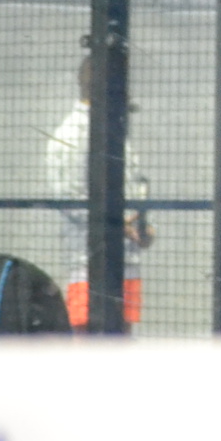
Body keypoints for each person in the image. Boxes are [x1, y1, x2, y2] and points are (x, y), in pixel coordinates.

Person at [43, 55, 152, 328]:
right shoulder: (70, 135)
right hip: (88, 261)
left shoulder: (113, 129)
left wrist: (142, 225)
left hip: (126, 258)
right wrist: (119, 224)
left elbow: (134, 185)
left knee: (121, 332)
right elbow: (69, 199)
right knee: (87, 334)